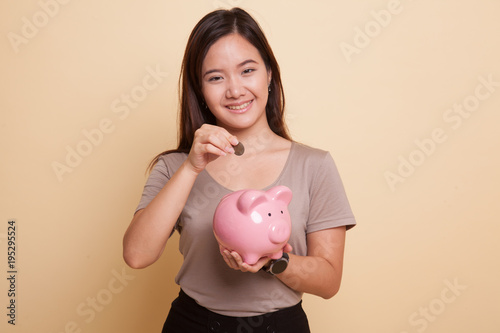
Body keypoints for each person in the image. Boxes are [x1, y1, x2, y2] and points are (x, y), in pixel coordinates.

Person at [123, 7, 356, 333]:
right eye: (215, 77)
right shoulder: (176, 166)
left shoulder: (314, 166)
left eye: (247, 71)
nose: (234, 90)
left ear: (270, 74)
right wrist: (192, 167)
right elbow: (137, 254)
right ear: (200, 90)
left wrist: (273, 261)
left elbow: (329, 282)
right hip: (193, 324)